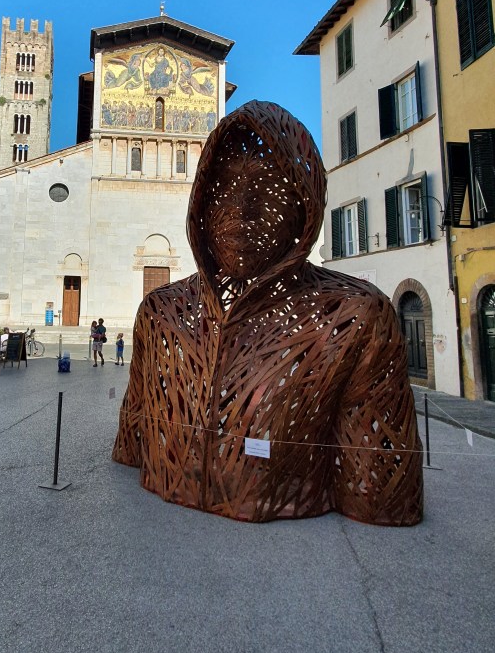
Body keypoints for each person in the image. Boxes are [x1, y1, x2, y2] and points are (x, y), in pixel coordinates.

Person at [113, 100, 423, 526]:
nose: (242, 212)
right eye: (224, 188)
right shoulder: (160, 312)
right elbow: (133, 447)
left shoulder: (357, 319)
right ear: (201, 202)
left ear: (304, 206)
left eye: (265, 188)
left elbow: (379, 494)